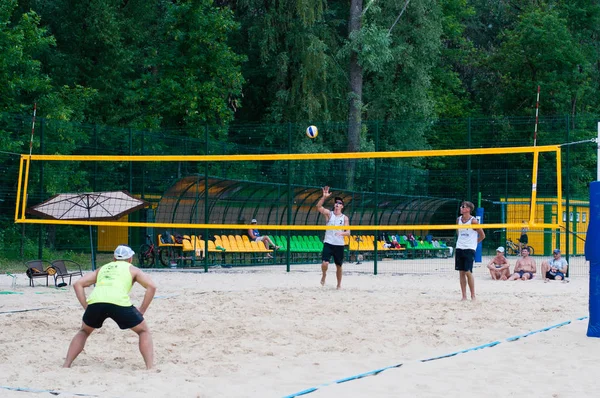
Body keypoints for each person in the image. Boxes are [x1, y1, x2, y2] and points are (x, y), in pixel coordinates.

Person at [63, 245, 156, 369]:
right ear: (130, 259)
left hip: (96, 301)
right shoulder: (133, 269)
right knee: (143, 331)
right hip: (118, 302)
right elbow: (152, 287)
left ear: (114, 258)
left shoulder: (103, 268)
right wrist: (142, 310)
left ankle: (66, 365)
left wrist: (86, 306)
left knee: (84, 331)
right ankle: (150, 367)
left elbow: (78, 284)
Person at [316, 186, 350, 289]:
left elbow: (348, 232)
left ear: (342, 206)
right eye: (336, 203)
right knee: (325, 263)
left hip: (339, 244)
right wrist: (324, 197)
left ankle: (339, 284)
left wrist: (341, 234)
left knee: (339, 266)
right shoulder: (329, 214)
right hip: (329, 243)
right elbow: (318, 207)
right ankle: (324, 275)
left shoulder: (344, 218)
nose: (337, 204)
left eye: (339, 203)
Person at [455, 201, 485, 301]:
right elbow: (458, 233)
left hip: (469, 248)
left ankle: (473, 295)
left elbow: (482, 235)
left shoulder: (473, 221)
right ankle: (464, 296)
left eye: (463, 207)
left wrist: (474, 244)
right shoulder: (458, 219)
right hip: (459, 247)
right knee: (461, 272)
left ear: (468, 209)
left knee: (468, 271)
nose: (461, 208)